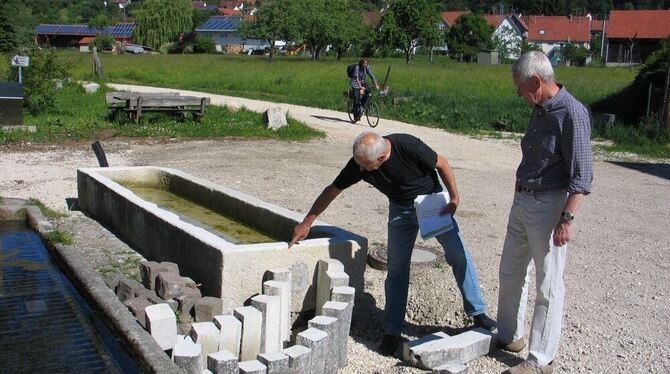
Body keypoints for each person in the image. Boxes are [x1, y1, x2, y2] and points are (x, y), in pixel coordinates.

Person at [290, 132, 496, 356]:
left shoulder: (407, 145)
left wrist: (454, 198)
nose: (360, 170)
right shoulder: (360, 162)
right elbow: (333, 190)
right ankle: (392, 331)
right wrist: (307, 223)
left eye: (365, 166)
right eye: (358, 165)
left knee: (458, 254)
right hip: (400, 212)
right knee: (397, 269)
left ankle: (478, 313)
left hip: (432, 204)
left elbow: (442, 163)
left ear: (381, 159)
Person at [496, 51, 593, 374]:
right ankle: (509, 335)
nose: (518, 94)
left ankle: (539, 360)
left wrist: (567, 219)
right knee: (510, 272)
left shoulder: (572, 114)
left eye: (520, 88)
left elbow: (582, 175)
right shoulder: (540, 109)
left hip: (549, 205)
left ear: (536, 81)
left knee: (548, 284)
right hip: (523, 200)